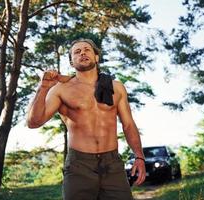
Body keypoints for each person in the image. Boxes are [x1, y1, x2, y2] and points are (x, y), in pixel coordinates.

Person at [27, 38, 146, 200]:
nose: (82, 53)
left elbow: (128, 124)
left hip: (112, 164)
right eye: (77, 52)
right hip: (79, 165)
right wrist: (43, 88)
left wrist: (139, 156)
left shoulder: (116, 87)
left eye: (87, 49)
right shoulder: (60, 89)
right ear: (71, 62)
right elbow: (34, 122)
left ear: (96, 57)